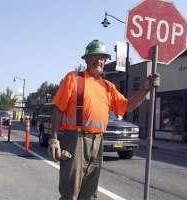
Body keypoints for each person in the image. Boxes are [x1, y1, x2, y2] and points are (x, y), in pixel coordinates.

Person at [47, 40, 160, 200]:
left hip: (99, 142)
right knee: (70, 191)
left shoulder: (108, 87)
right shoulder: (74, 79)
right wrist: (54, 139)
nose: (98, 61)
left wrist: (145, 88)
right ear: (86, 59)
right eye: (94, 56)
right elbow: (58, 110)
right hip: (74, 142)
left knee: (90, 193)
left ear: (105, 62)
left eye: (102, 58)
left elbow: (128, 106)